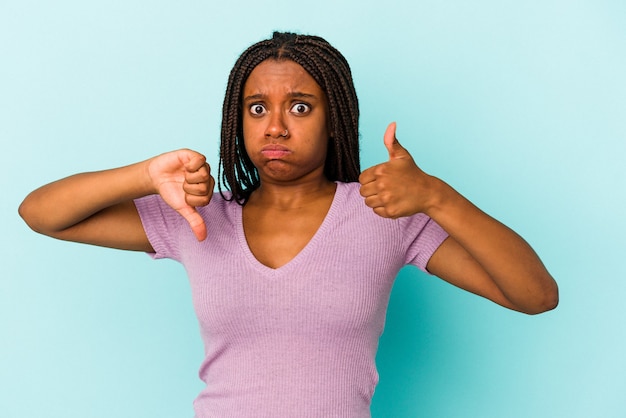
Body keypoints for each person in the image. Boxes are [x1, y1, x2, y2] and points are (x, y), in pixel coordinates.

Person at [19, 32, 558, 417]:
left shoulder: (382, 215)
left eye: (300, 108)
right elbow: (40, 214)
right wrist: (141, 174)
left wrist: (436, 196)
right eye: (257, 108)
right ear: (237, 119)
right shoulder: (197, 214)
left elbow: (534, 294)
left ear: (335, 120)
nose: (275, 126)